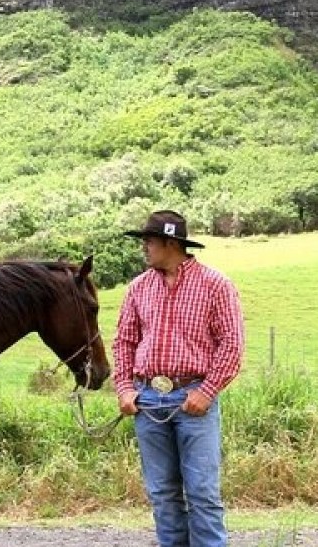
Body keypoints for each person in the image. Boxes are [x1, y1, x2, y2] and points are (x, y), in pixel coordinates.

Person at [113, 210, 245, 547]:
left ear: (172, 243)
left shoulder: (216, 285)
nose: (144, 247)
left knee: (202, 492)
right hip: (147, 400)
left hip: (193, 398)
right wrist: (125, 388)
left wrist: (208, 390)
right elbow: (124, 342)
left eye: (149, 241)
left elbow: (231, 343)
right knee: (162, 492)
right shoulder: (138, 288)